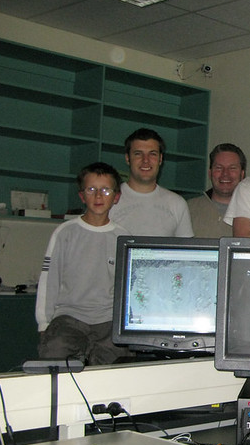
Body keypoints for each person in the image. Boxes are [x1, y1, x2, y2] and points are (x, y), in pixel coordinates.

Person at [35, 163, 131, 366]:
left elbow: (129, 287)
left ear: (116, 197)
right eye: (91, 189)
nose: (98, 196)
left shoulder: (123, 237)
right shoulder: (65, 232)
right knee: (55, 355)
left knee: (116, 369)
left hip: (108, 320)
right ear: (82, 195)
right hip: (69, 316)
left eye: (105, 190)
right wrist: (44, 323)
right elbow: (49, 279)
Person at [109, 127, 194, 237]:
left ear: (160, 159)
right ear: (127, 158)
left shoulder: (177, 203)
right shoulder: (108, 200)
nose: (145, 160)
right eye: (138, 154)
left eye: (152, 154)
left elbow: (185, 250)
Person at [188, 143, 246, 237]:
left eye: (232, 168)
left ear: (242, 174)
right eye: (219, 168)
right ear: (210, 173)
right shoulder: (188, 209)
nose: (225, 174)